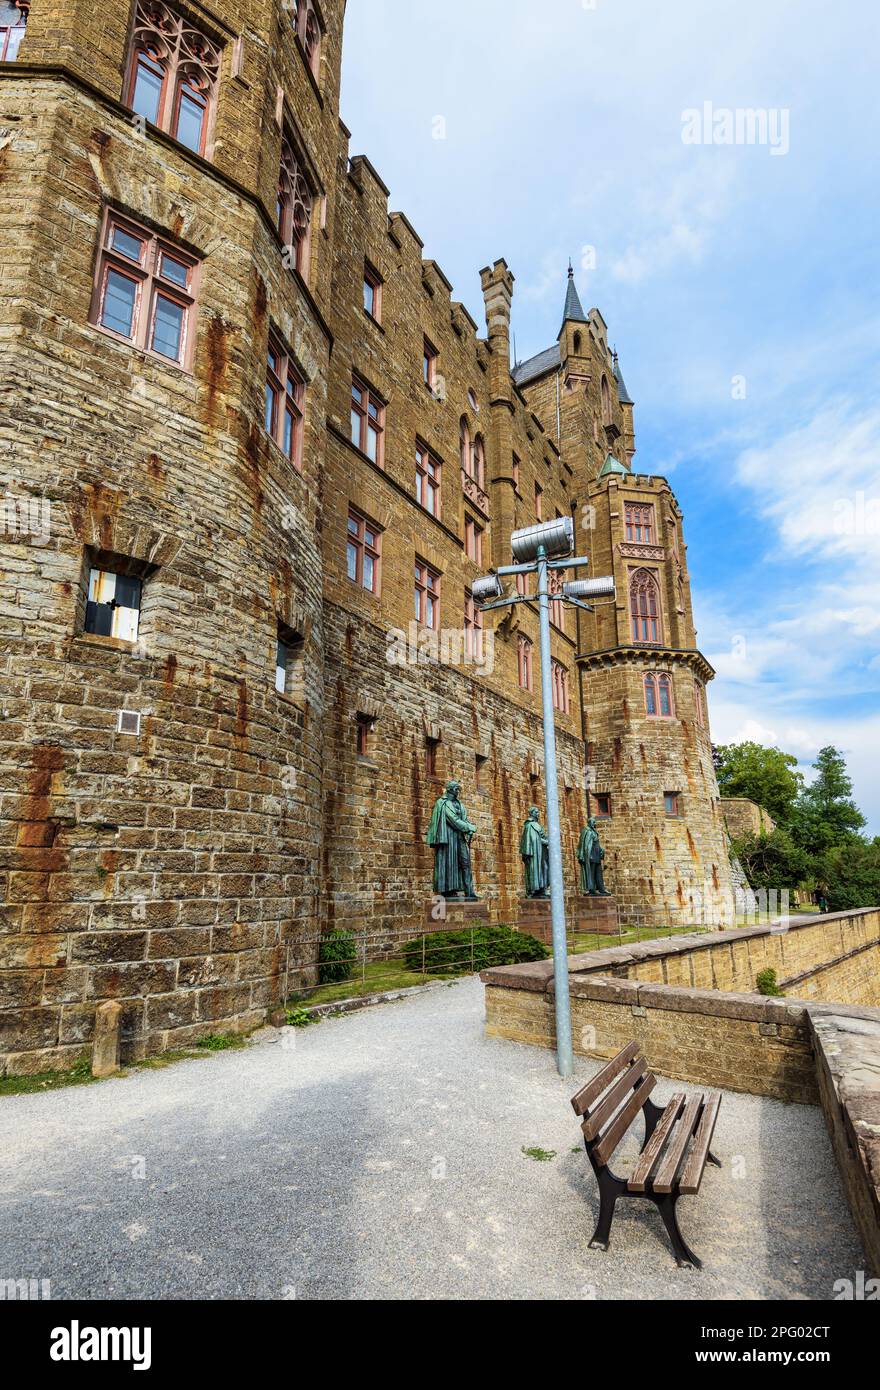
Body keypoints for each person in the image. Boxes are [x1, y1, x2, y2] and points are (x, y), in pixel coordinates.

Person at [427, 780, 478, 900]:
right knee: (449, 864)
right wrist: (468, 827)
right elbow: (453, 820)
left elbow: (463, 819)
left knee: (465, 863)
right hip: (448, 839)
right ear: (450, 789)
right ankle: (449, 891)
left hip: (459, 838)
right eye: (456, 788)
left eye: (458, 789)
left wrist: (469, 826)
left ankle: (469, 891)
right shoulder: (443, 803)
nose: (458, 791)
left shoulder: (459, 804)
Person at [520, 806, 550, 898]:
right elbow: (533, 840)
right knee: (536, 870)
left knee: (545, 868)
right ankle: (535, 890)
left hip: (542, 852)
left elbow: (540, 837)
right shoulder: (530, 825)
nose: (538, 814)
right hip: (534, 853)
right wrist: (547, 842)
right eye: (536, 812)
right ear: (532, 813)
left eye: (538, 812)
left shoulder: (537, 825)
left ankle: (542, 889)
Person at [577, 816, 610, 896]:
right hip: (591, 855)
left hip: (596, 854)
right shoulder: (587, 831)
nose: (595, 823)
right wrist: (584, 855)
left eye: (594, 822)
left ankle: (601, 889)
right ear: (589, 823)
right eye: (593, 822)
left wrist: (601, 850)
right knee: (591, 872)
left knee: (598, 872)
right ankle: (592, 889)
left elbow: (596, 843)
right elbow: (584, 845)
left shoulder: (593, 831)